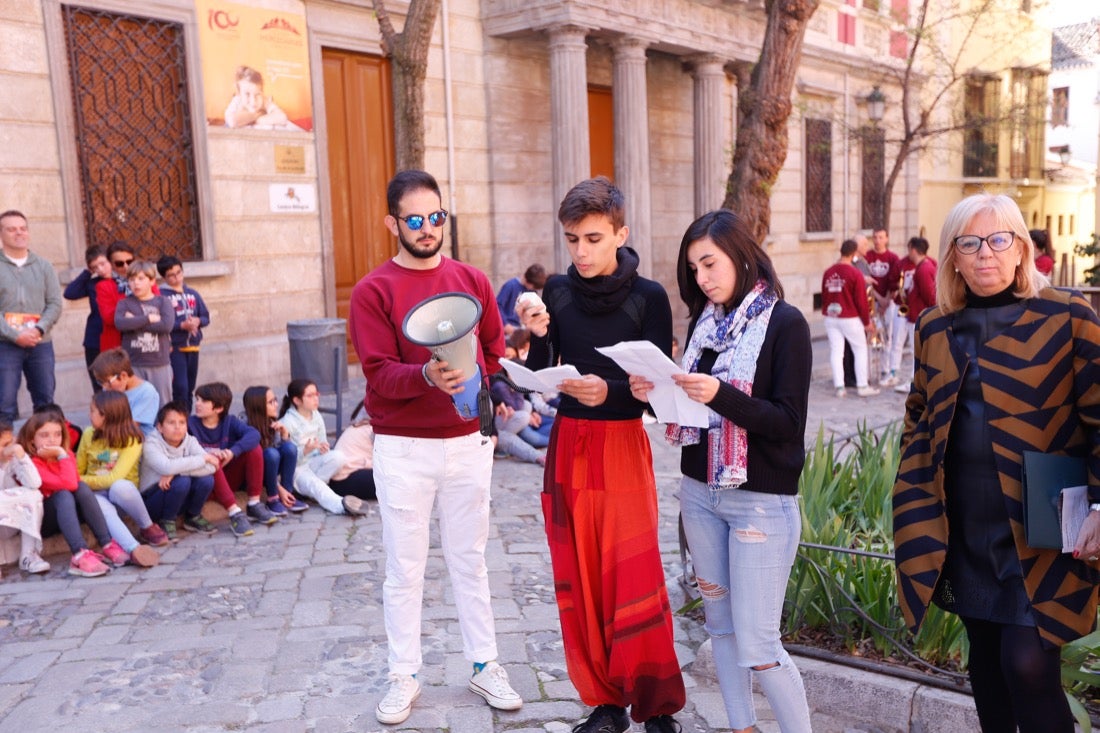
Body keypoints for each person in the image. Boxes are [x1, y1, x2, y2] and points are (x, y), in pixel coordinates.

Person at [893, 193, 1100, 733]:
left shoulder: (1068, 317)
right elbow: (918, 415)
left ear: (1020, 249)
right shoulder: (935, 327)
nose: (985, 253)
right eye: (969, 242)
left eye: (998, 239)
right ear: (953, 257)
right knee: (985, 662)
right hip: (965, 527)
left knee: (1027, 663)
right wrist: (913, 493)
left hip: (1041, 527)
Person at [629, 209, 813, 733]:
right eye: (694, 269)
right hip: (699, 494)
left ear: (740, 254)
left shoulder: (787, 324)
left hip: (759, 503)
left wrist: (722, 396)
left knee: (758, 644)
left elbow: (787, 423)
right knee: (722, 630)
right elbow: (692, 416)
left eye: (709, 263)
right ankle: (742, 727)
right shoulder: (704, 325)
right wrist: (654, 395)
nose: (703, 278)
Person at [348, 169, 521, 725]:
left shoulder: (471, 279)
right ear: (392, 224)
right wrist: (425, 378)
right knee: (405, 567)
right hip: (403, 449)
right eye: (415, 220)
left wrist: (485, 381)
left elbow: (493, 349)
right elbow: (376, 373)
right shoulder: (373, 291)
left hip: (468, 444)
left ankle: (485, 664)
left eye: (436, 217)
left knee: (470, 558)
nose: (427, 229)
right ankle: (404, 675)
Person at [516, 176, 684, 733]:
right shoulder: (560, 292)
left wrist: (607, 391)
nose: (581, 252)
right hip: (569, 445)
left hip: (621, 444)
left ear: (620, 233)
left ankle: (656, 705)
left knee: (633, 573)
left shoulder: (649, 298)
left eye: (592, 238)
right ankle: (605, 703)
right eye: (572, 240)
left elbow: (658, 392)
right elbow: (544, 372)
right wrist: (539, 335)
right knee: (581, 573)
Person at [20, 410, 119, 576]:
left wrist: (62, 455)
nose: (52, 440)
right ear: (32, 439)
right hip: (44, 521)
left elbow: (74, 484)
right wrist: (60, 454)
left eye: (57, 434)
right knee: (63, 494)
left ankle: (107, 543)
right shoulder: (32, 464)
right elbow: (68, 484)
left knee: (82, 487)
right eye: (44, 435)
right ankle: (80, 554)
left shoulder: (66, 456)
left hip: (68, 514)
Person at [76, 390, 170, 553]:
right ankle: (133, 549)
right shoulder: (88, 434)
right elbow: (77, 470)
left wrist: (83, 480)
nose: (89, 415)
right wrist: (82, 480)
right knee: (100, 506)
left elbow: (114, 478)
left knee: (119, 486)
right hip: (97, 495)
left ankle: (147, 526)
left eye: (92, 411)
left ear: (105, 415)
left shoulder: (132, 439)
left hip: (125, 498)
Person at [188, 381, 277, 536]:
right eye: (197, 400)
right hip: (205, 484)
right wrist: (211, 455)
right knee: (212, 459)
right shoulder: (190, 424)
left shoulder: (230, 422)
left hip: (228, 479)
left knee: (253, 448)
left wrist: (232, 452)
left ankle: (254, 504)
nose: (197, 404)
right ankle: (234, 513)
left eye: (203, 401)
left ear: (219, 408)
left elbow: (253, 435)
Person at [0, 210, 63, 422]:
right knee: (4, 403)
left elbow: (54, 303)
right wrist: (14, 335)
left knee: (45, 401)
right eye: (11, 229)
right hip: (5, 345)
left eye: (23, 228)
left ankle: (45, 450)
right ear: (1, 233)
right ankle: (3, 450)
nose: (19, 233)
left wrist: (38, 329)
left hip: (40, 344)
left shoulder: (44, 266)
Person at [277, 378, 365, 516]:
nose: (315, 399)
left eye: (316, 394)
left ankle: (312, 492)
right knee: (315, 485)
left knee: (339, 457)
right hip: (297, 470)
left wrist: (323, 448)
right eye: (310, 396)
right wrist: (305, 450)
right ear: (297, 400)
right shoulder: (287, 422)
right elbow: (287, 461)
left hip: (314, 464)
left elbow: (323, 441)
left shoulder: (316, 415)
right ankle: (342, 505)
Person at [140, 401, 218, 540]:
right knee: (182, 482)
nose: (178, 427)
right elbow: (166, 467)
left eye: (182, 422)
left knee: (206, 480)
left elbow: (211, 467)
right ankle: (166, 521)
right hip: (153, 500)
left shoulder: (190, 440)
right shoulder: (151, 444)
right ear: (160, 427)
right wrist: (202, 459)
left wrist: (176, 472)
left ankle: (192, 516)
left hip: (178, 496)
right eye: (171, 423)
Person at [821, 240, 878, 398]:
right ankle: (862, 385)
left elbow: (824, 296)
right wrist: (867, 323)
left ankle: (840, 387)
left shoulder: (828, 271)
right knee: (860, 349)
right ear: (854, 254)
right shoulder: (855, 273)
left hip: (831, 316)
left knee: (836, 351)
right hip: (850, 317)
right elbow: (861, 301)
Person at [242, 385, 308, 517]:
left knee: (290, 447)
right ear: (258, 405)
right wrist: (279, 489)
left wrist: (284, 435)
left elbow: (285, 453)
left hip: (270, 469)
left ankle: (288, 496)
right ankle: (273, 499)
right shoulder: (244, 425)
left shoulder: (271, 421)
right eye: (271, 402)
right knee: (271, 453)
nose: (276, 405)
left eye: (275, 400)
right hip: (251, 475)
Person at [115, 260, 174, 406]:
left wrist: (134, 321)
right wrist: (148, 319)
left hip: (159, 363)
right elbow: (120, 323)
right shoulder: (124, 304)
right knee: (136, 405)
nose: (136, 283)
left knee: (162, 405)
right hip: (134, 364)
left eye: (141, 279)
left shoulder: (163, 302)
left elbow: (166, 326)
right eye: (132, 279)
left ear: (152, 281)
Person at [157, 255, 209, 411]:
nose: (177, 277)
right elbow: (162, 322)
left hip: (193, 346)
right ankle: (179, 417)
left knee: (190, 387)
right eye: (171, 275)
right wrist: (182, 325)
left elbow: (205, 316)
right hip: (175, 348)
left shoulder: (193, 293)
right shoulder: (162, 296)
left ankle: (187, 419)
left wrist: (198, 321)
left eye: (179, 272)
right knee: (180, 386)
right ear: (164, 277)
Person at [886, 237, 936, 394]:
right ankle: (900, 374)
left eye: (909, 249)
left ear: (914, 250)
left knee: (917, 352)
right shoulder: (917, 266)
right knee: (904, 344)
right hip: (909, 312)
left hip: (918, 315)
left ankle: (915, 382)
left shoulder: (924, 269)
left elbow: (929, 295)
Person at [0, 417, 49, 575]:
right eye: (4, 445)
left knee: (33, 495)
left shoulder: (11, 458)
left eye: (11, 442)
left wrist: (20, 454)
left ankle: (28, 556)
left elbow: (35, 483)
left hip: (9, 521)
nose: (10, 448)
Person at [63, 244, 112, 393]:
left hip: (116, 338)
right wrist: (87, 273)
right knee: (99, 383)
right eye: (95, 267)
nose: (100, 270)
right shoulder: (92, 284)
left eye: (103, 264)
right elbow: (70, 293)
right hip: (95, 339)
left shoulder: (123, 282)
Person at [91, 348, 160, 436]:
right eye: (101, 382)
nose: (104, 387)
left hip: (136, 441)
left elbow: (131, 426)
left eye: (108, 382)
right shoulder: (109, 389)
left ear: (123, 376)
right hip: (111, 436)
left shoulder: (146, 392)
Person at [865, 227, 901, 382]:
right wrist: (879, 299)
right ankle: (869, 372)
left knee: (888, 336)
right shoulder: (867, 256)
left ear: (887, 238)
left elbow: (895, 281)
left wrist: (887, 300)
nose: (877, 240)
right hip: (872, 301)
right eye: (875, 237)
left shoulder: (893, 257)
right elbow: (867, 281)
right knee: (871, 337)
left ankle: (886, 369)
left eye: (880, 237)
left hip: (889, 302)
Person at [328, 417, 377, 501]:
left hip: (340, 480)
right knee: (391, 483)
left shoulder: (369, 425)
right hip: (344, 480)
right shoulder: (376, 431)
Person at [224, 66, 289, 129]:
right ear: (239, 94)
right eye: (247, 94)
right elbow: (232, 122)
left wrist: (255, 120)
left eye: (257, 94)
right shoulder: (237, 100)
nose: (253, 101)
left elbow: (283, 118)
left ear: (262, 92)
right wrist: (256, 115)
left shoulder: (264, 100)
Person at [496, 263, 547, 336]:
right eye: (534, 287)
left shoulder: (531, 292)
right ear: (529, 281)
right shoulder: (511, 285)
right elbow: (497, 306)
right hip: (507, 328)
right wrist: (505, 324)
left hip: (521, 328)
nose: (534, 289)